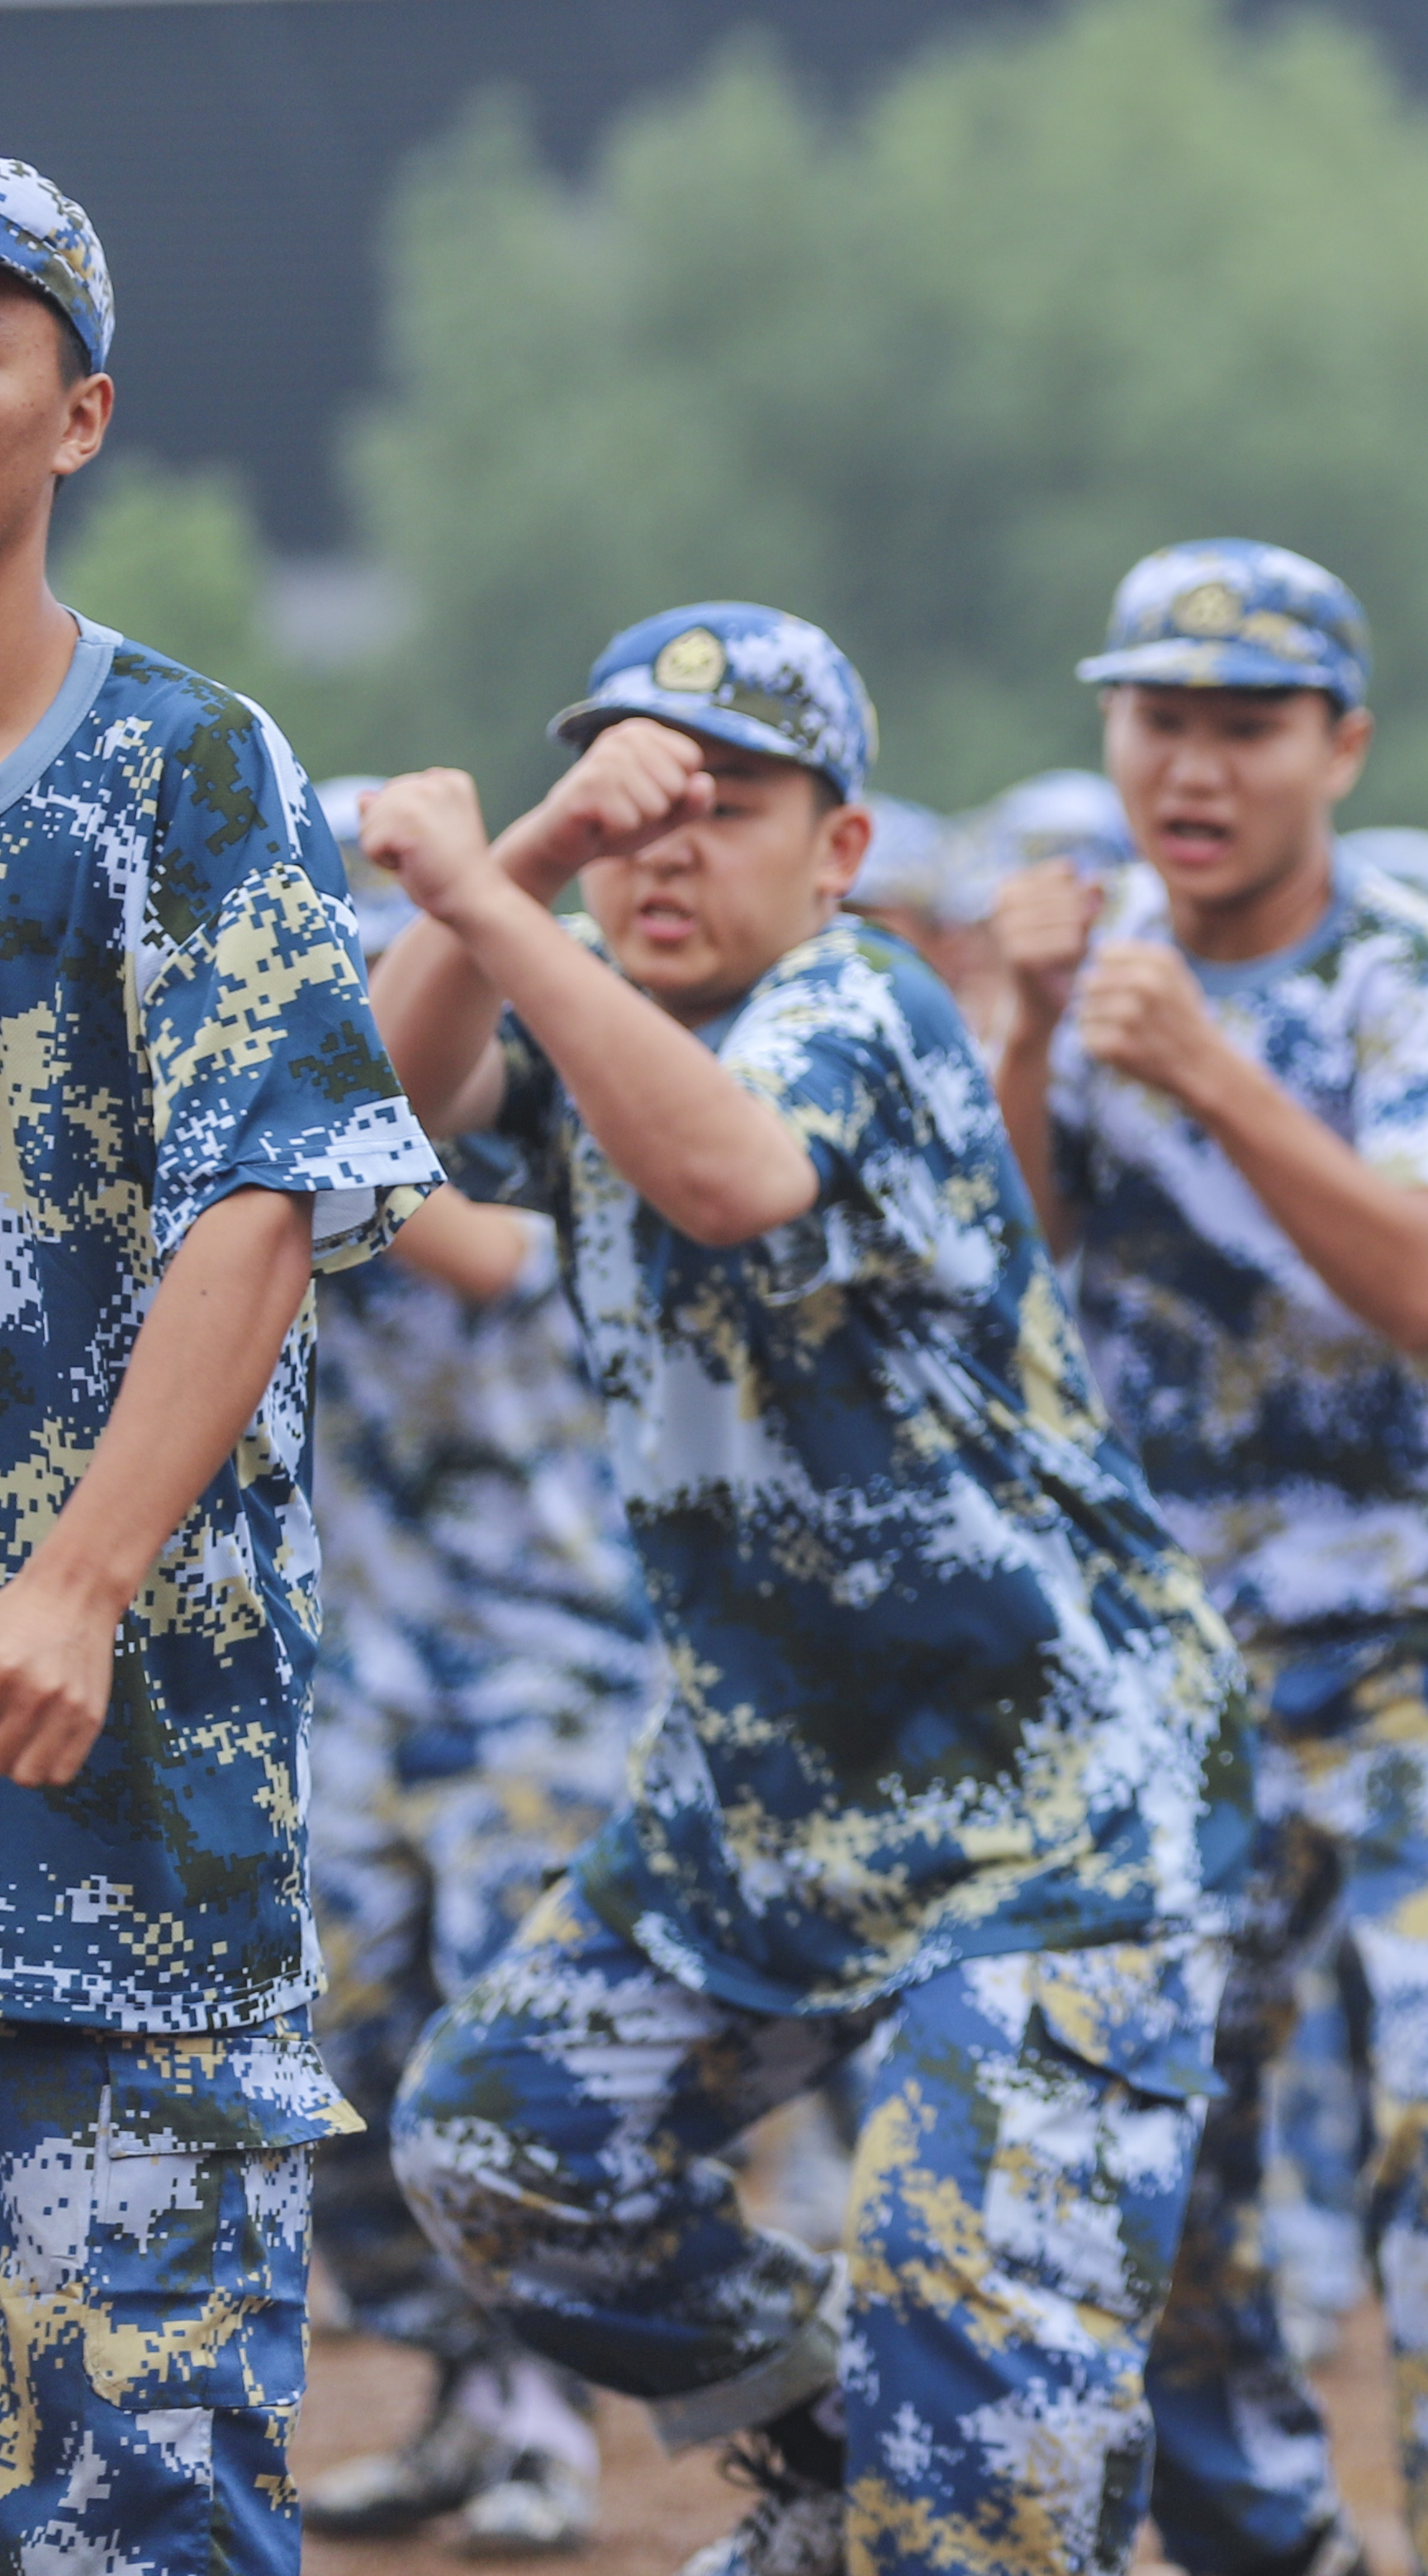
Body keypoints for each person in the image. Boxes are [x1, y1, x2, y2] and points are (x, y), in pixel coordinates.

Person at [358, 602, 1260, 2576]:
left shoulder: (857, 1007)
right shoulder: (586, 985)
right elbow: (398, 1098)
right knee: (497, 2146)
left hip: (1051, 1816)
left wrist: (501, 903)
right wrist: (510, 864)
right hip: (775, 1787)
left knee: (980, 2470)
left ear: (839, 850)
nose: (658, 846)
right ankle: (904, 2470)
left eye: (720, 802)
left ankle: (973, 2485)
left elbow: (733, 1177)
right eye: (629, 802)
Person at [0, 145, 443, 2576]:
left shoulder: (178, 774)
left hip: (117, 1785)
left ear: (72, 419)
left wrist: (74, 1583)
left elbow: (263, 1195)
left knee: (140, 2495)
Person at [989, 539, 1428, 2576]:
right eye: (1158, 717)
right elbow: (1015, 1264)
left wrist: (1207, 1068)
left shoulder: (1418, 980)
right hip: (1193, 1643)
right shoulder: (1089, 978)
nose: (1194, 766)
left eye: (1245, 725)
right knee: (1143, 2141)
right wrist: (1020, 1029)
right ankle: (1276, 2545)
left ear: (1338, 746)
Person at [293, 794, 649, 2564]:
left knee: (500, 2051)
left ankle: (546, 2420)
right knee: (343, 2028)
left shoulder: (528, 1069)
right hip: (364, 1663)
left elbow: (500, 1252)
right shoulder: (273, 1061)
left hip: (555, 1664)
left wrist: (301, 1136)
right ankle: (455, 2388)